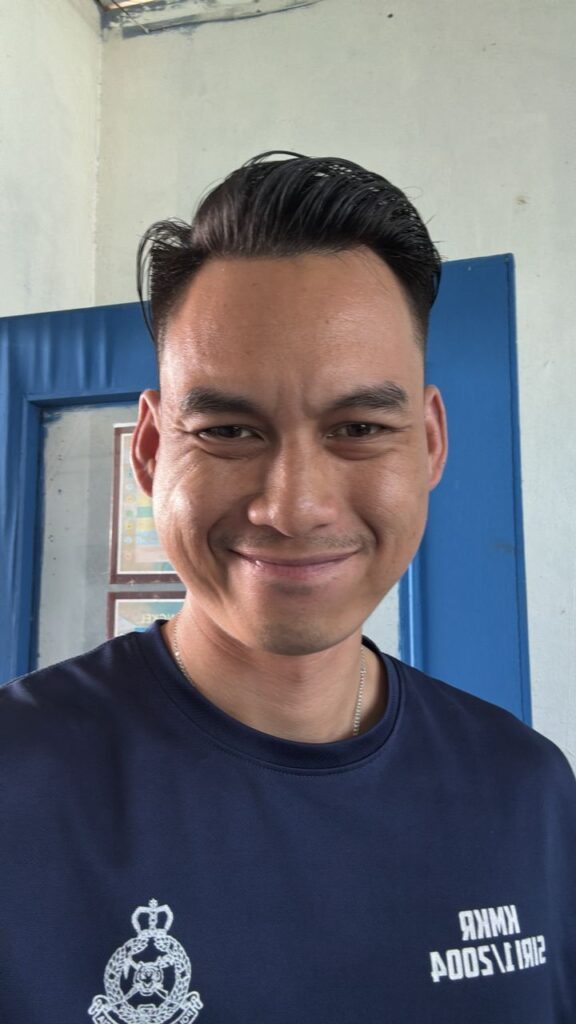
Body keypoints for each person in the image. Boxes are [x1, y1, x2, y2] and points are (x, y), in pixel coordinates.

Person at [1, 152, 574, 1024]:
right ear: (151, 452)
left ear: (428, 444)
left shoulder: (526, 791)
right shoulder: (18, 786)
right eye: (229, 430)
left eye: (359, 427)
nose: (293, 506)